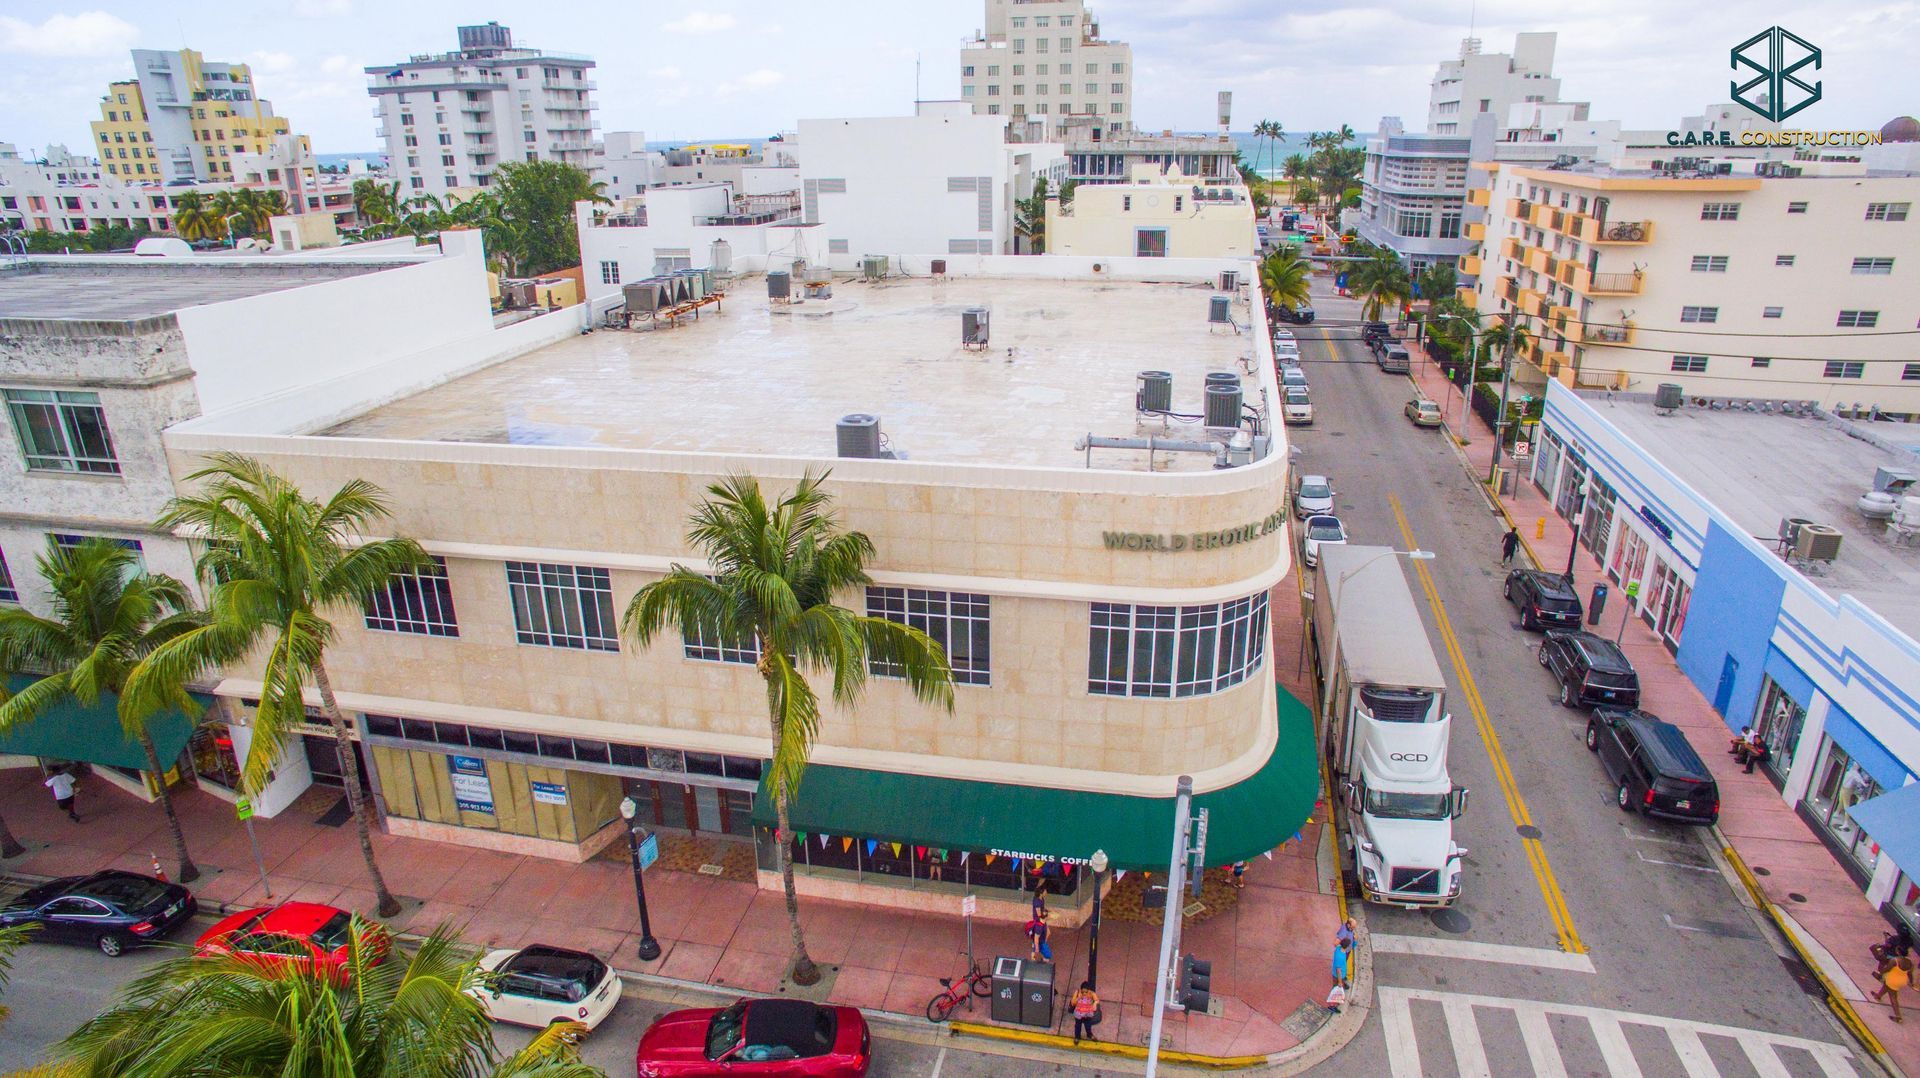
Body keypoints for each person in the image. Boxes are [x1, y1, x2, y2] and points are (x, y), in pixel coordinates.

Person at [1871, 953, 1911, 1023]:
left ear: (1898, 951)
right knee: (1886, 986)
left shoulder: (1894, 960)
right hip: (1902, 980)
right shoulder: (1909, 962)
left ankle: (1898, 1016)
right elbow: (1910, 973)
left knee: (1893, 997)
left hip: (1892, 979)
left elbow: (1887, 969)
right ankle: (1878, 996)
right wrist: (1911, 982)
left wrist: (1880, 973)